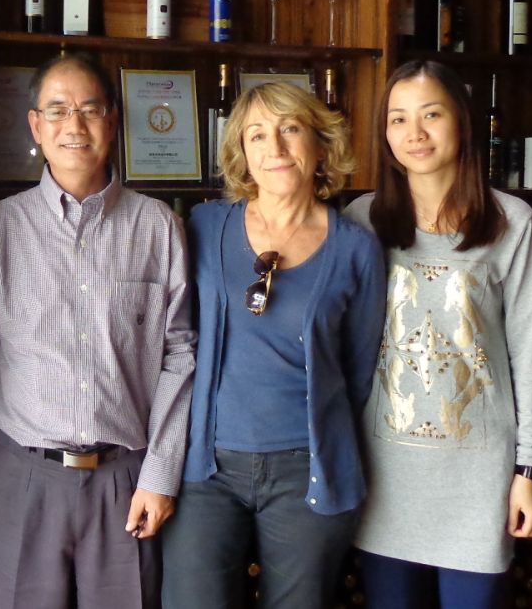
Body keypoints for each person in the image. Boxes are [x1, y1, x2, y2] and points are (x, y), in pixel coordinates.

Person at [0, 53, 195, 609]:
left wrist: (160, 475)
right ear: (36, 126)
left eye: (89, 109)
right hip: (24, 475)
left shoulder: (158, 227)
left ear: (113, 121)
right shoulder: (1, 227)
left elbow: (179, 356)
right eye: (58, 110)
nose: (74, 125)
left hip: (127, 480)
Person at [162, 82, 386, 609]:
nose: (276, 148)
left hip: (306, 472)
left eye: (290, 129)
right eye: (257, 135)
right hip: (206, 469)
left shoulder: (356, 248)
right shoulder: (203, 227)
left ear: (320, 145)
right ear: (241, 151)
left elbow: (358, 372)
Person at [343, 60, 532, 608]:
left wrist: (529, 470)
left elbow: (528, 351)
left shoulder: (512, 221)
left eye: (431, 115)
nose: (415, 133)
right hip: (384, 471)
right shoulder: (361, 220)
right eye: (398, 119)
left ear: (462, 121)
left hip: (478, 476)